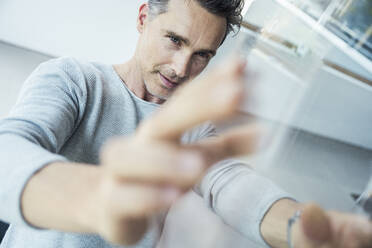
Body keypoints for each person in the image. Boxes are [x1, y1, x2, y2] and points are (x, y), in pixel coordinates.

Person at [0, 0, 371, 247]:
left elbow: (232, 188)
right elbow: (8, 153)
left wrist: (297, 229)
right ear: (144, 18)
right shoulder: (74, 79)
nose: (181, 68)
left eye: (202, 55)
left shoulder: (193, 131)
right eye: (174, 40)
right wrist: (100, 199)